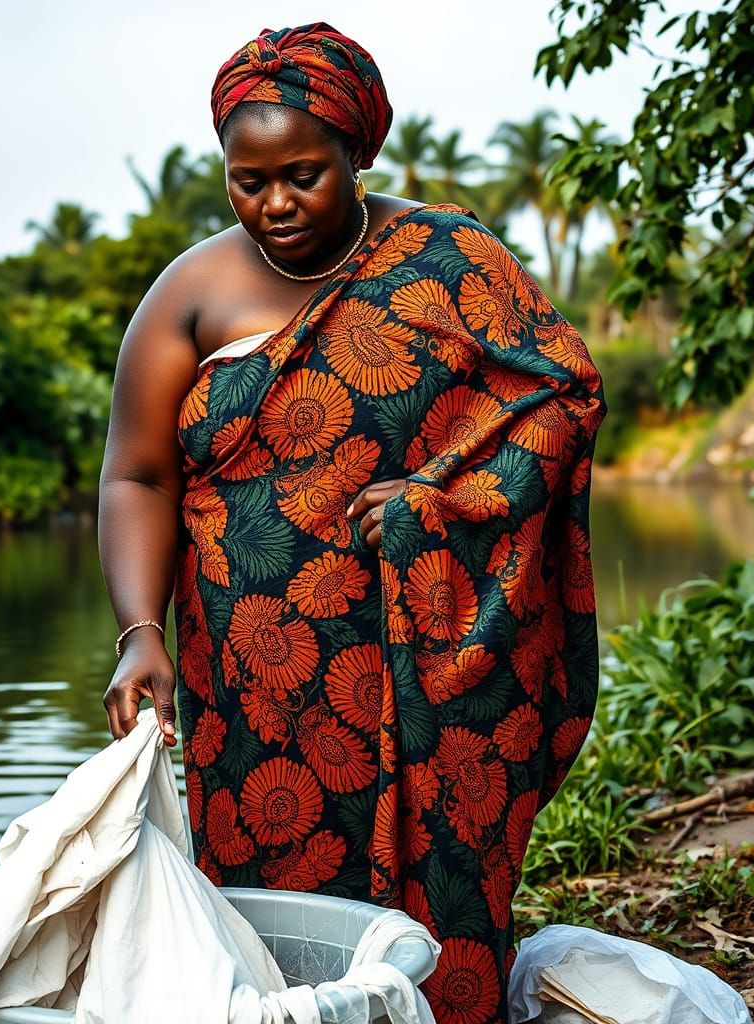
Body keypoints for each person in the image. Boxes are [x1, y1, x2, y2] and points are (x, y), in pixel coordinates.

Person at [98, 23, 605, 1024]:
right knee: (276, 921)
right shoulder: (190, 295)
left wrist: (440, 499)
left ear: (356, 154)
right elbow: (139, 473)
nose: (273, 204)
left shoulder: (450, 260)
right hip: (257, 696)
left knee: (446, 913)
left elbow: (560, 397)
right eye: (247, 181)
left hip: (438, 666)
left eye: (301, 175)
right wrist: (138, 631)